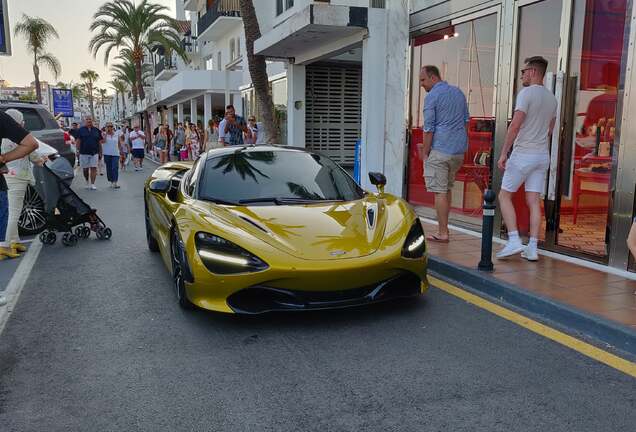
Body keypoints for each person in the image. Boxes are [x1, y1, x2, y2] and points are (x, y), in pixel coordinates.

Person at [496, 56, 557, 261]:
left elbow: (515, 125)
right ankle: (532, 247)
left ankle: (513, 239)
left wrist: (504, 152)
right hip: (542, 156)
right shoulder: (552, 98)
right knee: (533, 201)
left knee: (504, 196)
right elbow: (550, 129)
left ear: (532, 72)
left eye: (523, 72)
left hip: (523, 154)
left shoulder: (526, 94)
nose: (522, 75)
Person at [417, 65, 469, 243]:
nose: (421, 84)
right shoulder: (458, 93)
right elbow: (465, 122)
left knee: (439, 192)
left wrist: (425, 153)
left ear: (433, 77)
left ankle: (443, 232)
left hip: (440, 150)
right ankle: (445, 228)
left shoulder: (432, 96)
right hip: (457, 152)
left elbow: (429, 128)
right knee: (446, 189)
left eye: (423, 80)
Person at [1, 109, 48, 257]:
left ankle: (14, 240)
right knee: (13, 212)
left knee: (11, 210)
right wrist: (43, 160)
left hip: (7, 174)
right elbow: (32, 151)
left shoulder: (3, 137)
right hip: (18, 176)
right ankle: (4, 244)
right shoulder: (16, 134)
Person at [76, 116, 103, 190]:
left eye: (90, 119)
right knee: (85, 169)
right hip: (83, 152)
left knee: (94, 168)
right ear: (85, 121)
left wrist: (101, 152)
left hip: (94, 152)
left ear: (92, 121)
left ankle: (92, 184)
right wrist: (77, 151)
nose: (89, 121)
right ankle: (87, 181)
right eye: (87, 119)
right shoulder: (80, 130)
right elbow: (78, 141)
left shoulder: (97, 130)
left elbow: (99, 142)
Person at [102, 123, 123, 188]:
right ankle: (111, 181)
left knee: (115, 167)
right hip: (107, 153)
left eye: (110, 126)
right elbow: (102, 142)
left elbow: (119, 143)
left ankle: (115, 182)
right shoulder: (103, 134)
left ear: (112, 127)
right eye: (108, 127)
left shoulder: (117, 135)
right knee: (109, 168)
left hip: (115, 153)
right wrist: (105, 135)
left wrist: (121, 152)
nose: (109, 128)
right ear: (106, 127)